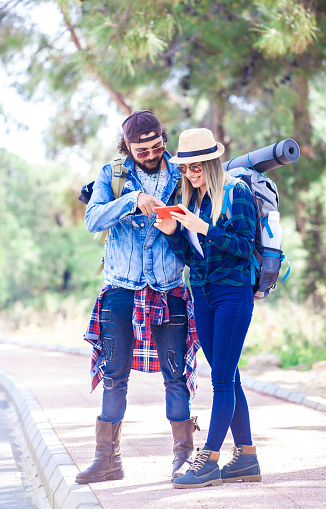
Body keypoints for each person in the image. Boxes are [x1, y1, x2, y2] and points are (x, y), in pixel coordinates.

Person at [75, 111, 200, 485]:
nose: (150, 153)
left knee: (176, 376)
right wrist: (132, 199)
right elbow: (93, 218)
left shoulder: (181, 174)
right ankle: (107, 460)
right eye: (141, 149)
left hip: (169, 289)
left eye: (156, 145)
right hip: (120, 289)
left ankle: (183, 459)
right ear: (126, 146)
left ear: (163, 138)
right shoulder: (110, 175)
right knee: (114, 375)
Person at [155, 128, 262, 488]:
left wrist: (205, 229)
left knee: (220, 380)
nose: (190, 172)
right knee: (228, 376)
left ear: (212, 161)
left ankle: (209, 459)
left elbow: (246, 248)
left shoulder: (237, 193)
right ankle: (246, 457)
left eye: (196, 165)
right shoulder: (193, 200)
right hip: (202, 293)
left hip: (233, 293)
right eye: (185, 167)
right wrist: (173, 232)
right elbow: (190, 260)